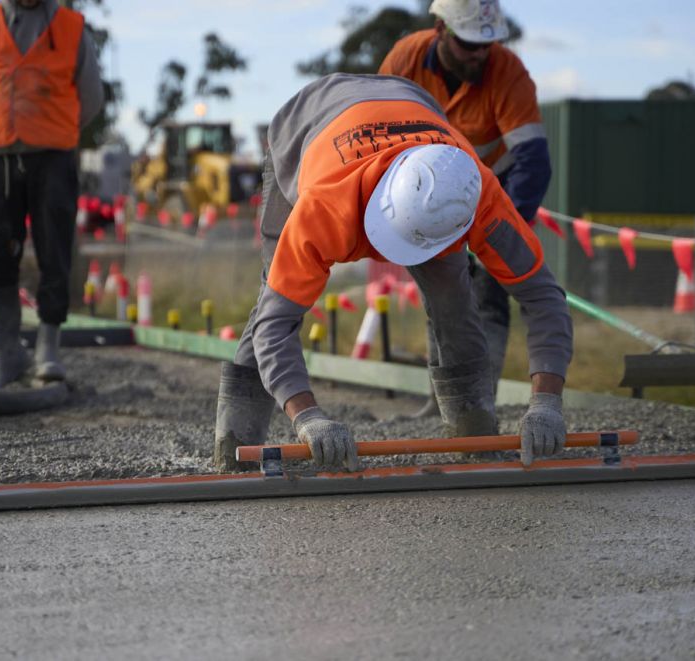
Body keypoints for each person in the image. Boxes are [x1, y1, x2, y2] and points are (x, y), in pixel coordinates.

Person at [214, 73, 572, 473]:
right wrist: (308, 417)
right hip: (305, 129)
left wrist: (546, 403)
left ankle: (474, 437)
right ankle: (235, 445)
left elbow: (543, 296)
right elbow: (275, 326)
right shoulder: (323, 208)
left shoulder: (477, 193)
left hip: (415, 116)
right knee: (273, 299)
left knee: (454, 299)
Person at [379, 0, 552, 400]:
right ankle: (442, 405)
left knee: (488, 296)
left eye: (485, 46)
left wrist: (499, 234)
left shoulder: (508, 72)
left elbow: (534, 163)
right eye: (468, 44)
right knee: (439, 293)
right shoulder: (405, 59)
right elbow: (379, 134)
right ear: (441, 28)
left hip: (496, 190)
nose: (479, 55)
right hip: (427, 192)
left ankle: (479, 403)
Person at [0, 0, 104, 389]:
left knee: (54, 250)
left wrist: (49, 127)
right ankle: (7, 353)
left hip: (53, 157)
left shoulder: (72, 27)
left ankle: (48, 351)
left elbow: (90, 98)